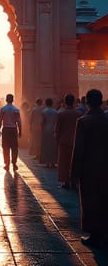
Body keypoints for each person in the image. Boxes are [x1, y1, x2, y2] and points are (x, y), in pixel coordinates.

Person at [71, 89, 108, 248]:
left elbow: (78, 149)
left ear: (87, 102)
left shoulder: (84, 121)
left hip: (89, 168)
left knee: (90, 201)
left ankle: (94, 233)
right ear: (101, 102)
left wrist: (74, 173)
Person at [56, 94, 81, 189]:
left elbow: (57, 129)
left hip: (63, 141)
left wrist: (57, 139)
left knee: (64, 163)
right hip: (75, 141)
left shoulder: (61, 114)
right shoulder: (78, 114)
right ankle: (74, 182)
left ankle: (65, 181)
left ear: (65, 102)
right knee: (74, 162)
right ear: (74, 101)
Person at [0, 94, 22, 172]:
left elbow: (0, 120)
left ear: (6, 100)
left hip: (6, 129)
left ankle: (7, 164)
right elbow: (19, 122)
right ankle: (14, 163)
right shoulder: (16, 110)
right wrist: (20, 131)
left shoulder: (3, 109)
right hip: (13, 129)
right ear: (12, 100)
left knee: (5, 147)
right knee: (14, 148)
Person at [40, 98, 59, 168]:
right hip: (53, 130)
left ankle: (47, 162)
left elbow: (42, 122)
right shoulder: (55, 112)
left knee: (46, 147)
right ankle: (53, 163)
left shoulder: (44, 112)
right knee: (53, 147)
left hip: (46, 130)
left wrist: (41, 130)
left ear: (46, 103)